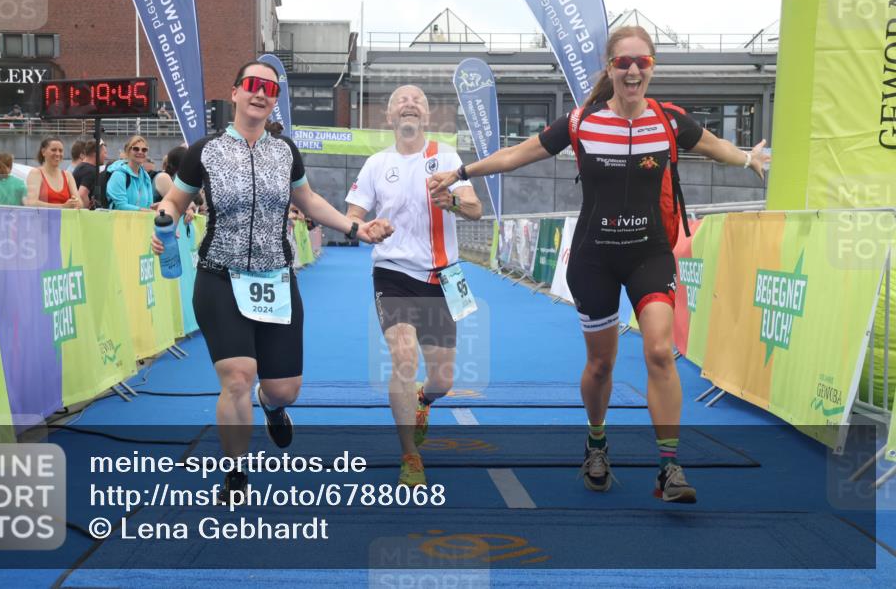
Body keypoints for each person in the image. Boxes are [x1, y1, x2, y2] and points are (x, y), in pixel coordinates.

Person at [429, 26, 770, 503]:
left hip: (649, 254)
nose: (632, 71)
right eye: (623, 62)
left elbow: (715, 146)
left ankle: (669, 467)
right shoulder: (580, 122)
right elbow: (514, 156)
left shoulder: (669, 121)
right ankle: (596, 441)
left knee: (658, 350)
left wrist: (748, 159)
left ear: (652, 69)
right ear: (610, 68)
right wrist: (462, 171)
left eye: (642, 63)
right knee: (601, 363)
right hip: (595, 260)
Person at [151, 60, 394, 498]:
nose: (260, 93)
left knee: (284, 390)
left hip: (275, 280)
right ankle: (236, 474)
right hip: (219, 277)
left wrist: (356, 228)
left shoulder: (284, 151)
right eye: (252, 84)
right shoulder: (203, 151)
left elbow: (310, 200)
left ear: (274, 99)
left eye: (269, 88)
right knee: (238, 377)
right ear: (235, 93)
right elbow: (174, 199)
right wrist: (164, 220)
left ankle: (272, 406)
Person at [346, 85, 482, 486]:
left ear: (426, 115)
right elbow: (352, 217)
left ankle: (423, 400)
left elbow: (475, 208)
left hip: (442, 277)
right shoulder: (376, 164)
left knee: (443, 380)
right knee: (403, 357)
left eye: (417, 100)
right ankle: (410, 455)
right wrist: (368, 228)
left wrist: (452, 202)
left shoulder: (447, 156)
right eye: (401, 101)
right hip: (393, 273)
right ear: (390, 117)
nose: (409, 103)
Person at [25, 136, 81, 208]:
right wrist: (62, 206)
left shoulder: (68, 175)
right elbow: (31, 203)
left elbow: (80, 203)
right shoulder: (36, 173)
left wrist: (75, 203)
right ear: (43, 152)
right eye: (53, 150)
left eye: (60, 151)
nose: (58, 154)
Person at [106, 135, 154, 211]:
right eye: (136, 149)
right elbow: (120, 206)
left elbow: (149, 204)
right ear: (127, 151)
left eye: (144, 150)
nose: (140, 152)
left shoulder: (146, 176)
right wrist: (142, 210)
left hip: (142, 218)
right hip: (120, 218)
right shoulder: (118, 175)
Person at [72, 139, 108, 209]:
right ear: (96, 153)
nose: (106, 156)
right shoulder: (91, 171)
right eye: (104, 153)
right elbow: (82, 195)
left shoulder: (81, 167)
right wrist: (89, 210)